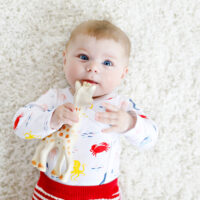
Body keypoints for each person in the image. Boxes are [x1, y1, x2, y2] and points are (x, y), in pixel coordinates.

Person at [13, 20, 158, 200]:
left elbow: (150, 138)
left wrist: (129, 123)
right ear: (65, 60)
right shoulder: (56, 97)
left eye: (107, 62)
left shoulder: (121, 106)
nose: (93, 68)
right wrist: (52, 118)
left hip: (103, 193)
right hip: (52, 190)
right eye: (83, 57)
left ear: (122, 74)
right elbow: (19, 125)